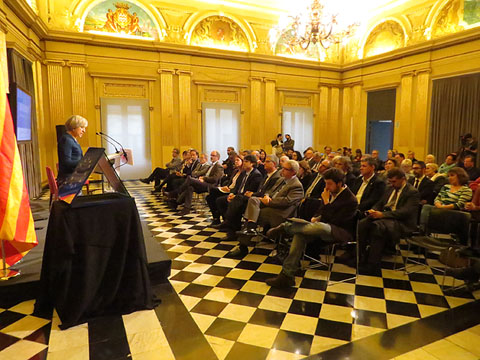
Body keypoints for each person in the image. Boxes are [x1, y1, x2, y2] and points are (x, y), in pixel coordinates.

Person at [263, 168, 358, 288]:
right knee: (300, 235)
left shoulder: (350, 200)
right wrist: (315, 217)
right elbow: (320, 212)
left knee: (321, 227)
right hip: (320, 226)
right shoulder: (329, 193)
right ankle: (287, 275)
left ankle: (285, 227)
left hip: (339, 231)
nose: (327, 187)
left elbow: (336, 221)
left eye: (329, 184)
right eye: (326, 183)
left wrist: (326, 203)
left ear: (339, 184)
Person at [226, 160, 304, 258]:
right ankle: (250, 227)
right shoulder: (281, 180)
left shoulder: (297, 185)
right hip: (269, 206)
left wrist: (270, 201)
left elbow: (287, 201)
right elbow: (269, 191)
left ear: (293, 172)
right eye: (282, 168)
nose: (282, 171)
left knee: (252, 214)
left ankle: (245, 242)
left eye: (285, 169)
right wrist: (266, 197)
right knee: (253, 200)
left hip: (281, 213)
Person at [356, 168, 420, 274]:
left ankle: (373, 264)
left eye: (394, 181)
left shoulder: (412, 192)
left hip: (401, 222)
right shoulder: (389, 188)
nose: (392, 184)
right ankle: (359, 257)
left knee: (378, 228)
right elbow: (380, 203)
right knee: (363, 223)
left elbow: (405, 212)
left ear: (403, 179)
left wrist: (383, 215)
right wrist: (374, 210)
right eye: (390, 182)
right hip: (385, 218)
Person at [215, 155, 281, 239]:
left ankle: (231, 228)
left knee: (236, 202)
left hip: (256, 200)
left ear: (274, 164)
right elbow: (237, 187)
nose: (264, 163)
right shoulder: (262, 175)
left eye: (267, 161)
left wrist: (251, 194)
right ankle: (228, 223)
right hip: (248, 196)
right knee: (221, 200)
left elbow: (265, 192)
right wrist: (232, 194)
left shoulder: (259, 175)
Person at [57, 115, 88, 186]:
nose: (84, 131)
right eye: (82, 127)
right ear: (74, 127)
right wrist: (84, 162)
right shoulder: (66, 140)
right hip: (68, 180)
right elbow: (66, 162)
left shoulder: (72, 139)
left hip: (73, 178)